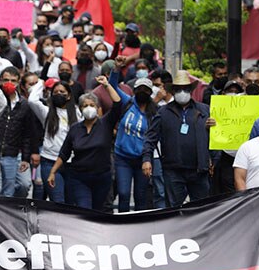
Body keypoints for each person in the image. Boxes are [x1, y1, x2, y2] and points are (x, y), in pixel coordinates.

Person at [141, 71, 214, 208]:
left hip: (199, 169)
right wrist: (146, 159)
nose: (182, 92)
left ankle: (198, 230)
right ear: (173, 91)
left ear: (191, 91)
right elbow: (150, 137)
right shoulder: (163, 112)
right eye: (179, 89)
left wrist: (212, 159)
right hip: (173, 170)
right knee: (173, 209)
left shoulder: (204, 110)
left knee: (201, 208)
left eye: (185, 89)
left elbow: (216, 137)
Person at [47, 77, 121, 210]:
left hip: (101, 177)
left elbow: (117, 103)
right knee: (84, 208)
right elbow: (64, 153)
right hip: (80, 178)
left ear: (98, 108)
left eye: (92, 105)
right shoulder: (75, 128)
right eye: (85, 106)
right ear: (80, 109)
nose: (89, 108)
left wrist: (106, 85)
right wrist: (53, 172)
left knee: (98, 210)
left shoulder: (106, 123)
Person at [0, 67, 40, 198]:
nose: (9, 84)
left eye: (13, 81)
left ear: (18, 83)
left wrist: (25, 158)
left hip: (12, 154)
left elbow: (28, 134)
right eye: (6, 80)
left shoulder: (24, 105)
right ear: (0, 81)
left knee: (11, 191)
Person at [28, 79, 78, 204]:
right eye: (55, 92)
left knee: (71, 202)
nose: (59, 94)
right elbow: (32, 100)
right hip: (49, 162)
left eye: (62, 92)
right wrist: (41, 82)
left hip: (72, 164)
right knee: (58, 201)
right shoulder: (46, 112)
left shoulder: (77, 113)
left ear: (69, 95)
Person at [113, 76, 156, 211]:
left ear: (150, 93)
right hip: (123, 158)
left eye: (146, 90)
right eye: (139, 89)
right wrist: (116, 70)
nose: (142, 92)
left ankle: (139, 228)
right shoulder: (128, 102)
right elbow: (112, 86)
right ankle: (122, 224)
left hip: (143, 159)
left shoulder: (155, 112)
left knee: (141, 196)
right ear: (134, 90)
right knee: (124, 193)